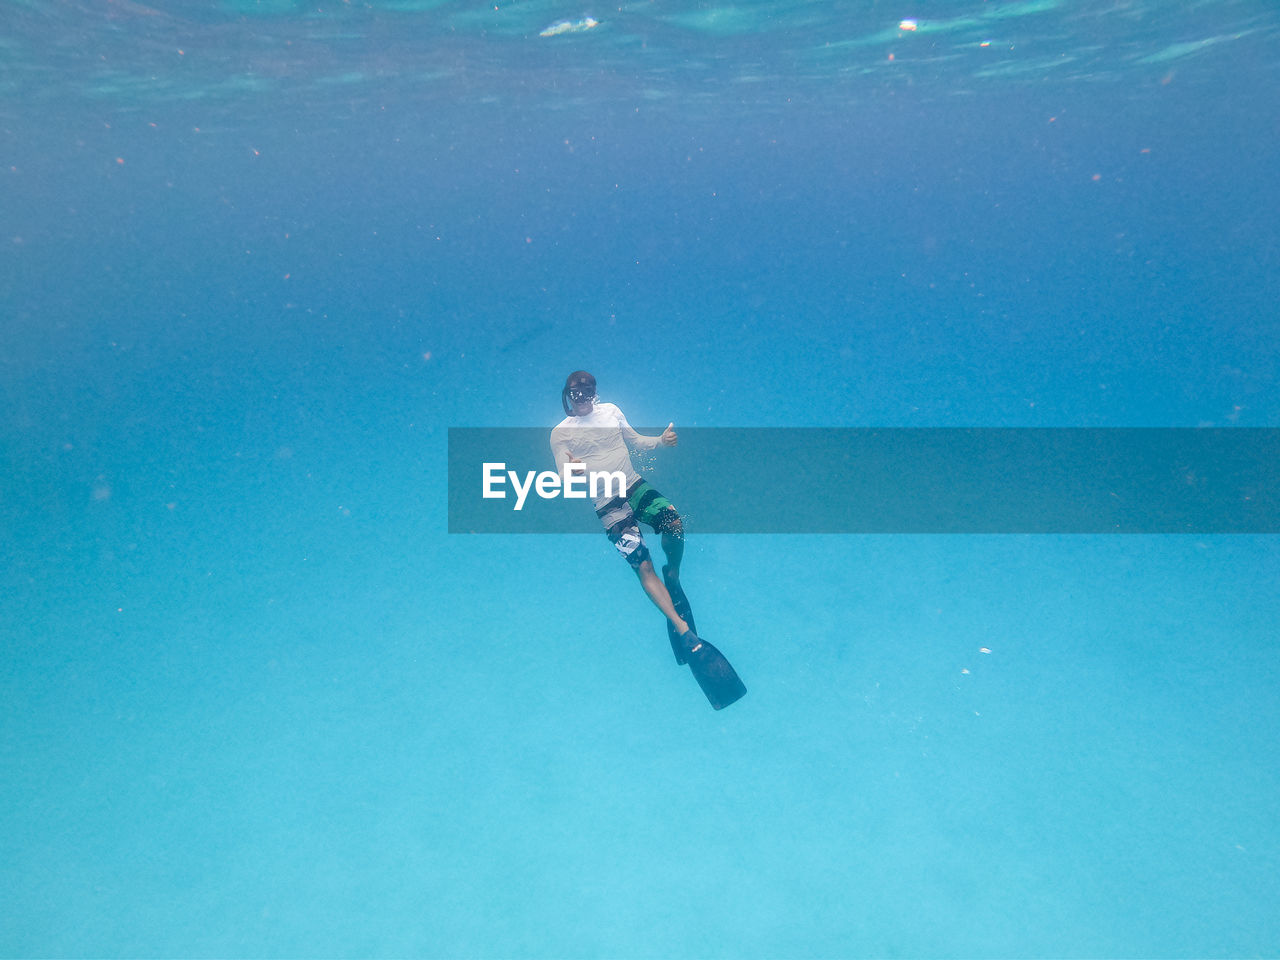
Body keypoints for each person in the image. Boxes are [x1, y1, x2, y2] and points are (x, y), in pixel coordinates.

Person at [549, 370, 746, 709]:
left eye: (588, 392)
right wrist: (574, 470)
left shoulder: (611, 411)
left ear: (595, 392)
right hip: (606, 501)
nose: (582, 399)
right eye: (576, 394)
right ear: (567, 395)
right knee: (641, 562)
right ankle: (683, 629)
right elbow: (562, 474)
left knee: (674, 524)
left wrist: (661, 442)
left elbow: (636, 440)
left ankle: (674, 572)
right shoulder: (560, 434)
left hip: (634, 484)